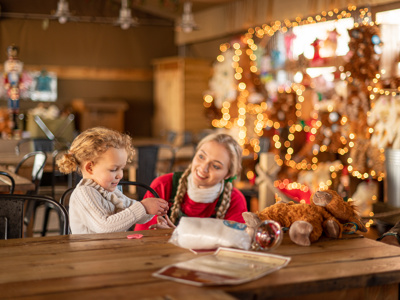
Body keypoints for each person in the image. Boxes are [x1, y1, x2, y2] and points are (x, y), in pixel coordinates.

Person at [57, 127, 168, 234]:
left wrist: (152, 211)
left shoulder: (110, 191)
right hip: (91, 252)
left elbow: (133, 211)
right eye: (114, 169)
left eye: (122, 168)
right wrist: (143, 207)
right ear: (90, 168)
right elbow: (105, 227)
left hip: (112, 249)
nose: (120, 175)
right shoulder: (84, 193)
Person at [135, 132, 248, 230]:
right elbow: (140, 238)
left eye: (215, 166)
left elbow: (236, 245)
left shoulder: (235, 200)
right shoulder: (164, 185)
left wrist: (178, 235)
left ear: (228, 174)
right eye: (201, 157)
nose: (203, 168)